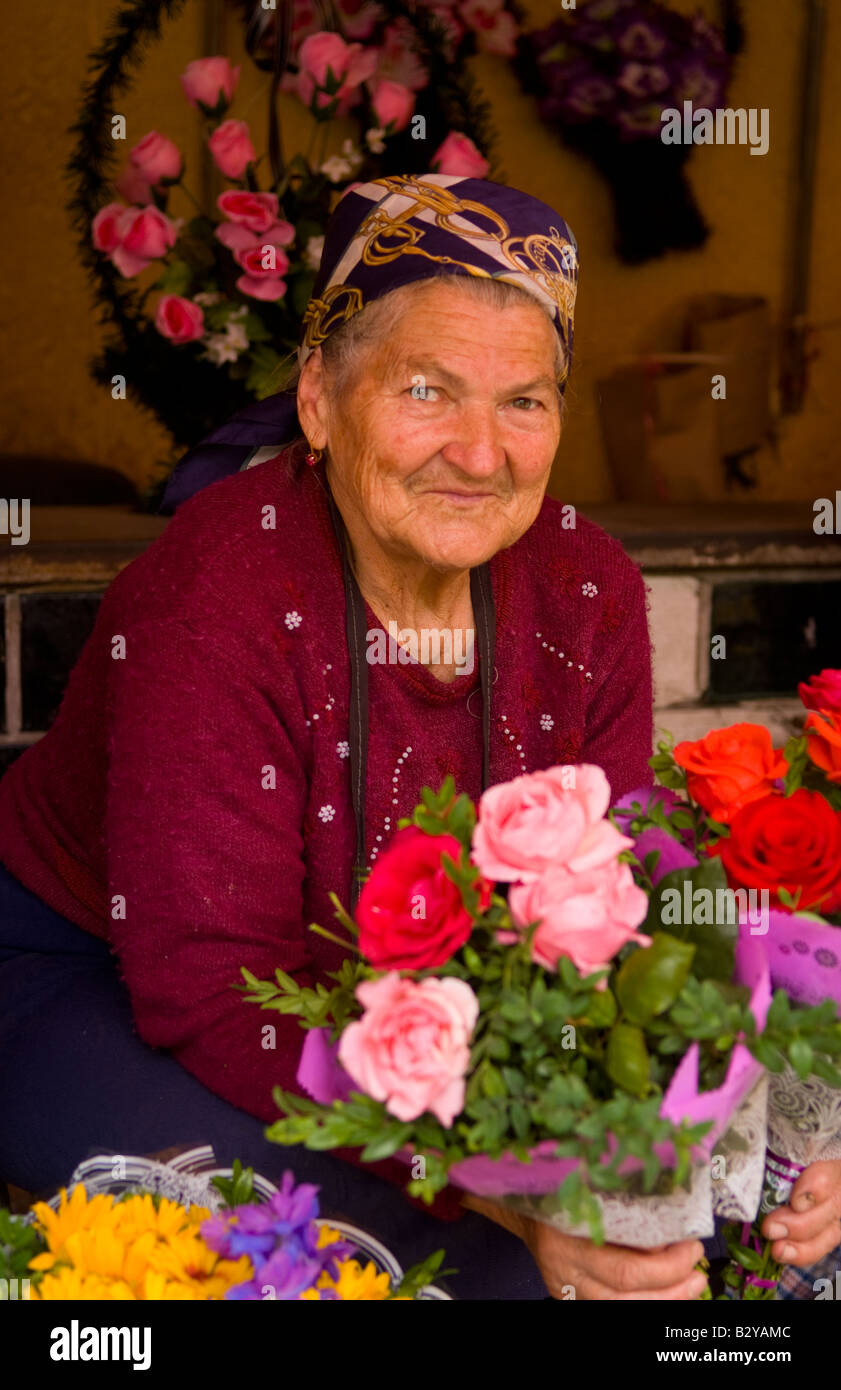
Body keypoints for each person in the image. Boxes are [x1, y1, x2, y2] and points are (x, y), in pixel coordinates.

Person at [1, 173, 836, 1298]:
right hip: (92, 979)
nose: (481, 454)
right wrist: (505, 1190)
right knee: (440, 1269)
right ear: (317, 402)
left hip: (414, 1022)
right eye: (428, 390)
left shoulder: (585, 589)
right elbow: (210, 989)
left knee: (724, 1225)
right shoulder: (213, 604)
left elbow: (615, 898)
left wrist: (774, 1119)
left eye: (525, 401)